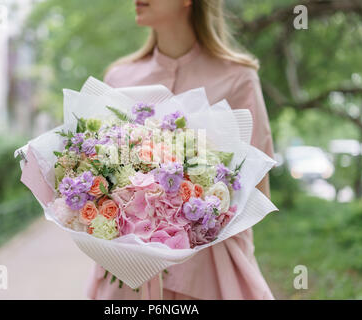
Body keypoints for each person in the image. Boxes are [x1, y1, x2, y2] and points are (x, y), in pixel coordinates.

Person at [87, 0, 275, 300]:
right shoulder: (119, 78)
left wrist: (196, 216)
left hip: (209, 276)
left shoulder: (239, 78)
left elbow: (257, 191)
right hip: (129, 279)